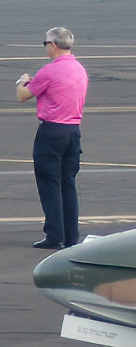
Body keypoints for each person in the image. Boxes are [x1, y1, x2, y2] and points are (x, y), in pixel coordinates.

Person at [16, 27, 88, 249]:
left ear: (54, 45)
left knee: (49, 183)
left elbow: (23, 96)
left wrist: (22, 81)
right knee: (68, 183)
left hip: (51, 131)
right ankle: (71, 236)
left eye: (46, 44)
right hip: (73, 131)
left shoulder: (49, 71)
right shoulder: (79, 69)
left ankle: (54, 234)